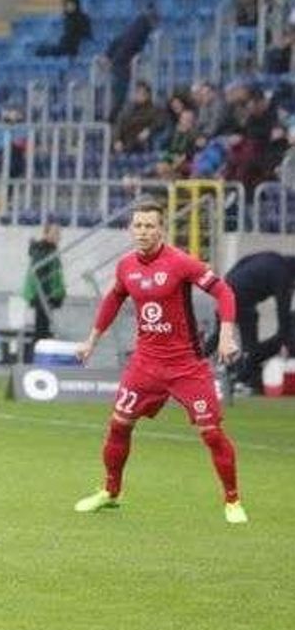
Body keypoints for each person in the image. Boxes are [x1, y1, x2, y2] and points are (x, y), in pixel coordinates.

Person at [72, 198, 247, 524]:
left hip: (187, 367)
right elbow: (113, 299)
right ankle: (110, 492)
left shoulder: (180, 263)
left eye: (149, 226)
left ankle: (232, 500)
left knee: (211, 433)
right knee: (119, 424)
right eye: (137, 225)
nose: (143, 231)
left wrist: (225, 336)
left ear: (161, 229)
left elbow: (225, 293)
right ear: (130, 229)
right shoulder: (126, 266)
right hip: (145, 364)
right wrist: (91, 341)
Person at [208, 252, 295, 391]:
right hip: (241, 299)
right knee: (251, 346)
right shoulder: (284, 275)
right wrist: (283, 336)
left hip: (225, 289)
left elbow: (241, 263)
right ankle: (243, 378)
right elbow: (282, 308)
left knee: (219, 334)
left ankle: (189, 362)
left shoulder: (271, 256)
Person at [22, 222, 66, 342]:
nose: (59, 236)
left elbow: (55, 275)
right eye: (55, 233)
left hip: (45, 294)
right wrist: (53, 296)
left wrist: (59, 294)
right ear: (46, 234)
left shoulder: (49, 249)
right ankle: (38, 355)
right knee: (41, 329)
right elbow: (41, 275)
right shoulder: (42, 250)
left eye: (59, 233)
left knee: (43, 328)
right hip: (41, 294)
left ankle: (39, 352)